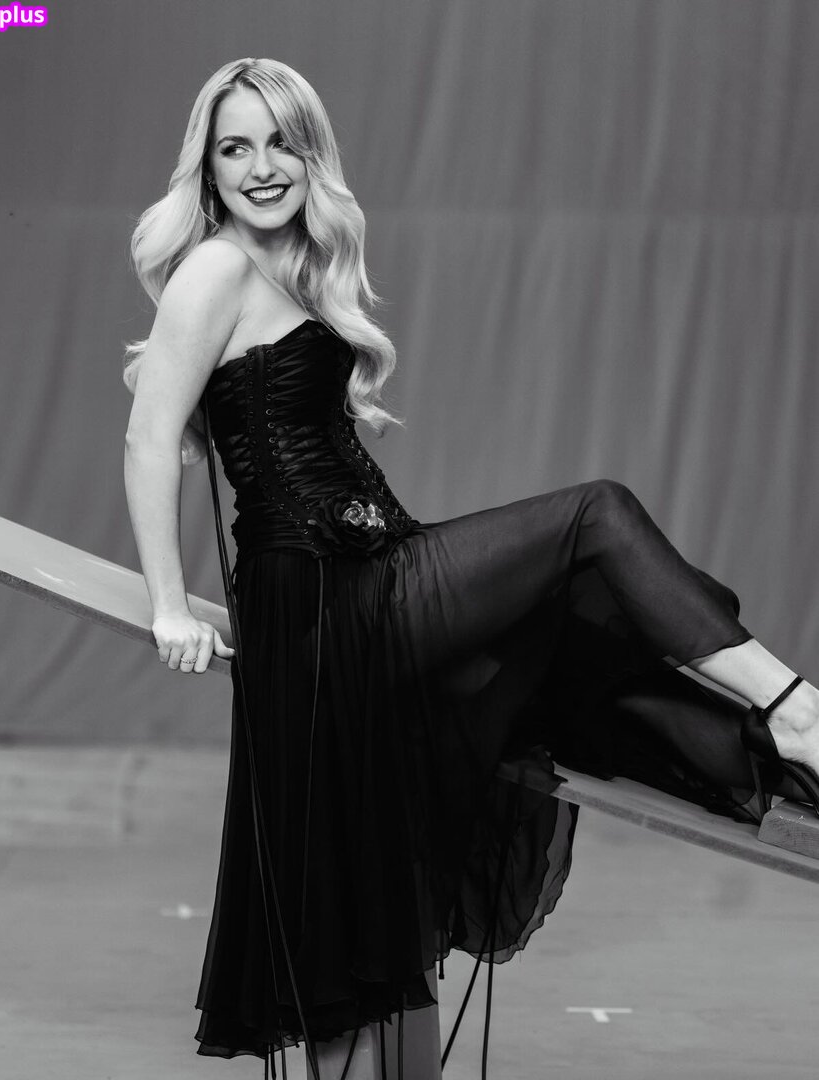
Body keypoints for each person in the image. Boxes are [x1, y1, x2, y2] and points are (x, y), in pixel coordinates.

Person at [123, 57, 819, 1080]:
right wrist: (164, 607)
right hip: (327, 598)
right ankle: (796, 715)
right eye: (236, 147)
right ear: (209, 167)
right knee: (595, 517)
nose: (262, 167)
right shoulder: (215, 270)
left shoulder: (294, 271)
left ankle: (771, 757)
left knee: (570, 659)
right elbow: (148, 440)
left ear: (312, 157)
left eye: (282, 143)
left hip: (373, 572)